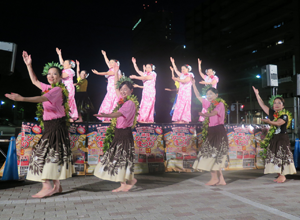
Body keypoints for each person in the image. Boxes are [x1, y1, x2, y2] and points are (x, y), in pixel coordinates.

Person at [5, 51, 73, 198]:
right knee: (51, 156)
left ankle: (47, 186)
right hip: (52, 127)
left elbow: (41, 98)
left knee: (39, 156)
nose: (51, 76)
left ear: (60, 77)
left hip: (55, 127)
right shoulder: (50, 88)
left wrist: (22, 99)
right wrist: (29, 65)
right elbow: (35, 81)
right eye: (49, 74)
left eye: (55, 74)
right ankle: (57, 186)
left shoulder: (56, 90)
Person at [93, 67, 139, 192]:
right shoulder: (122, 101)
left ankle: (128, 181)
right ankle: (126, 182)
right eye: (122, 89)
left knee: (122, 157)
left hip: (124, 134)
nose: (123, 91)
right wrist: (116, 73)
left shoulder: (129, 103)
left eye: (126, 90)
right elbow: (115, 87)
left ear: (131, 91)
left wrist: (105, 115)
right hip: (119, 133)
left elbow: (117, 114)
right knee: (117, 157)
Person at [252, 86, 296, 183]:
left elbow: (278, 123)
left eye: (279, 103)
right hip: (274, 138)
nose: (276, 104)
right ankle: (279, 175)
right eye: (275, 103)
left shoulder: (284, 115)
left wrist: (269, 122)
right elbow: (262, 104)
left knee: (282, 156)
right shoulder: (272, 113)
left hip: (282, 138)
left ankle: (283, 175)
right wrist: (257, 94)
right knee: (274, 156)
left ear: (283, 106)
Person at [192, 79, 228, 185]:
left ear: (216, 95)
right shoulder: (208, 104)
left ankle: (214, 178)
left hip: (218, 131)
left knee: (212, 155)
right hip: (211, 131)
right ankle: (221, 179)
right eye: (207, 94)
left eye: (211, 94)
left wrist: (205, 115)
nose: (208, 96)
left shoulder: (220, 104)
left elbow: (214, 113)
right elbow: (198, 96)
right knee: (213, 155)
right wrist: (193, 84)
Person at [92, 50, 122, 122]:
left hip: (113, 89)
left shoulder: (115, 70)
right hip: (110, 89)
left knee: (111, 102)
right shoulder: (113, 69)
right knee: (110, 102)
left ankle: (109, 118)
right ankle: (109, 117)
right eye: (110, 62)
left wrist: (98, 73)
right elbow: (107, 62)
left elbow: (106, 72)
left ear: (116, 63)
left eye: (112, 62)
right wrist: (104, 55)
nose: (110, 63)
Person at [130, 57, 156, 123]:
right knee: (143, 104)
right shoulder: (145, 73)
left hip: (150, 92)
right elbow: (138, 70)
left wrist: (135, 77)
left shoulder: (153, 74)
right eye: (146, 67)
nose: (147, 68)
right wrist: (134, 63)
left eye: (148, 67)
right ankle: (143, 119)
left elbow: (145, 78)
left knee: (148, 105)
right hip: (145, 91)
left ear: (151, 68)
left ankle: (145, 119)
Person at [56, 48, 78, 122]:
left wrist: (55, 73)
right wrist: (59, 54)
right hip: (64, 87)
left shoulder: (70, 71)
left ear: (69, 65)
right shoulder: (66, 69)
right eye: (64, 63)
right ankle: (64, 115)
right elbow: (61, 62)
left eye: (65, 63)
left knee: (68, 101)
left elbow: (62, 76)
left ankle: (69, 116)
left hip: (69, 88)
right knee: (64, 101)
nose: (63, 64)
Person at [170, 57, 194, 123]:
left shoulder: (190, 74)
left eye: (184, 69)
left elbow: (185, 81)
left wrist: (177, 79)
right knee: (179, 105)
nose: (182, 70)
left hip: (186, 93)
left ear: (187, 69)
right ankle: (178, 119)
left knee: (185, 105)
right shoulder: (181, 75)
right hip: (181, 93)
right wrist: (173, 63)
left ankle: (185, 119)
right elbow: (176, 70)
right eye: (181, 69)